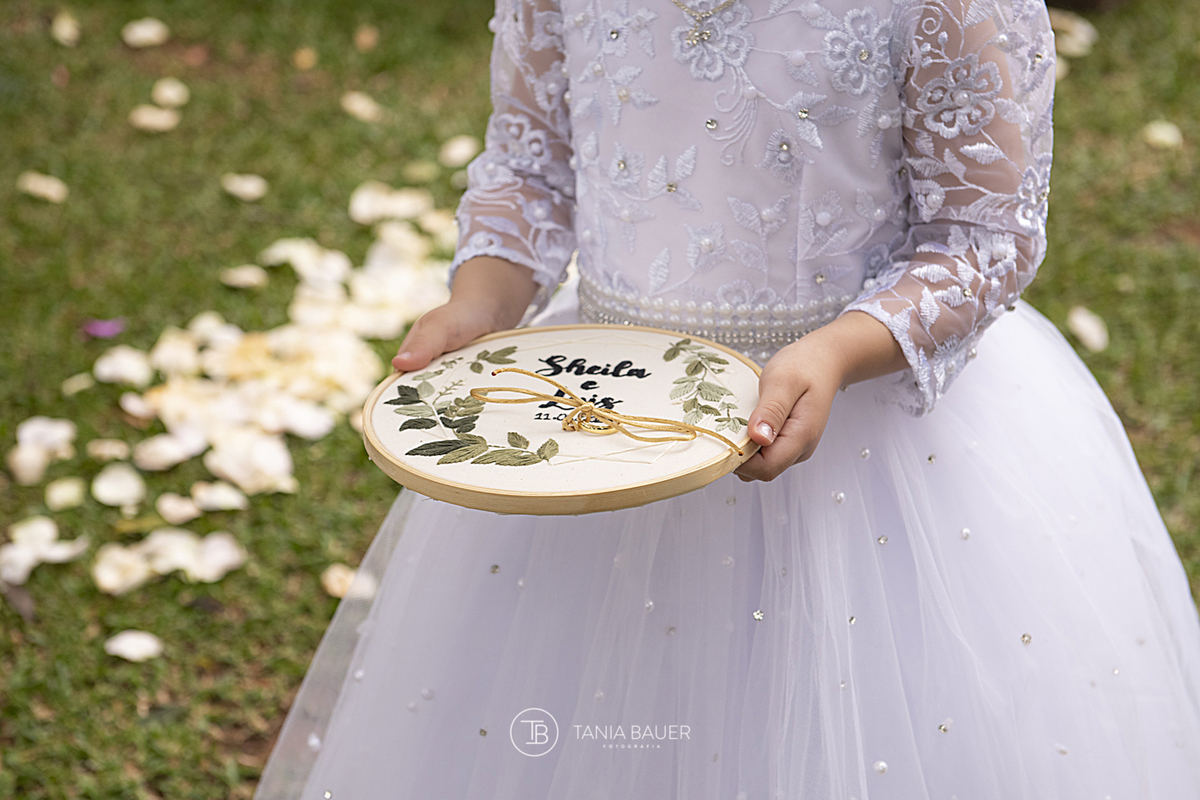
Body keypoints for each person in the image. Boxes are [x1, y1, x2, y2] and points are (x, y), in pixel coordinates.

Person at [255, 0, 1200, 797]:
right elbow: (535, 164)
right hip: (610, 418)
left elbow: (983, 234)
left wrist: (837, 351)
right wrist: (484, 298)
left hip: (860, 432)